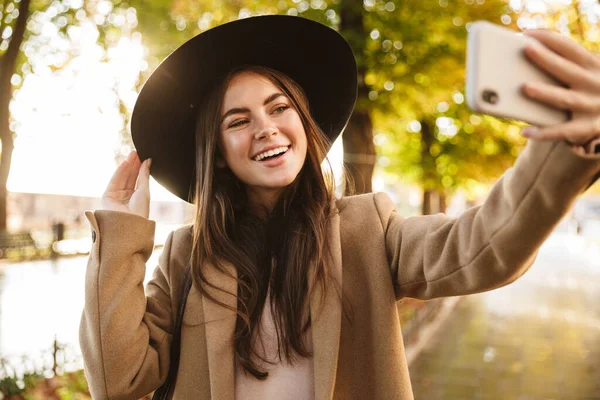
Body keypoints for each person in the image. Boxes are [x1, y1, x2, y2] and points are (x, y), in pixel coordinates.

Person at [79, 15, 600, 400]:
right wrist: (121, 231)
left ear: (304, 126)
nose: (265, 127)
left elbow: (483, 248)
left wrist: (564, 148)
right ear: (216, 152)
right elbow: (118, 383)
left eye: (279, 107)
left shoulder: (368, 228)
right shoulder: (185, 256)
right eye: (237, 121)